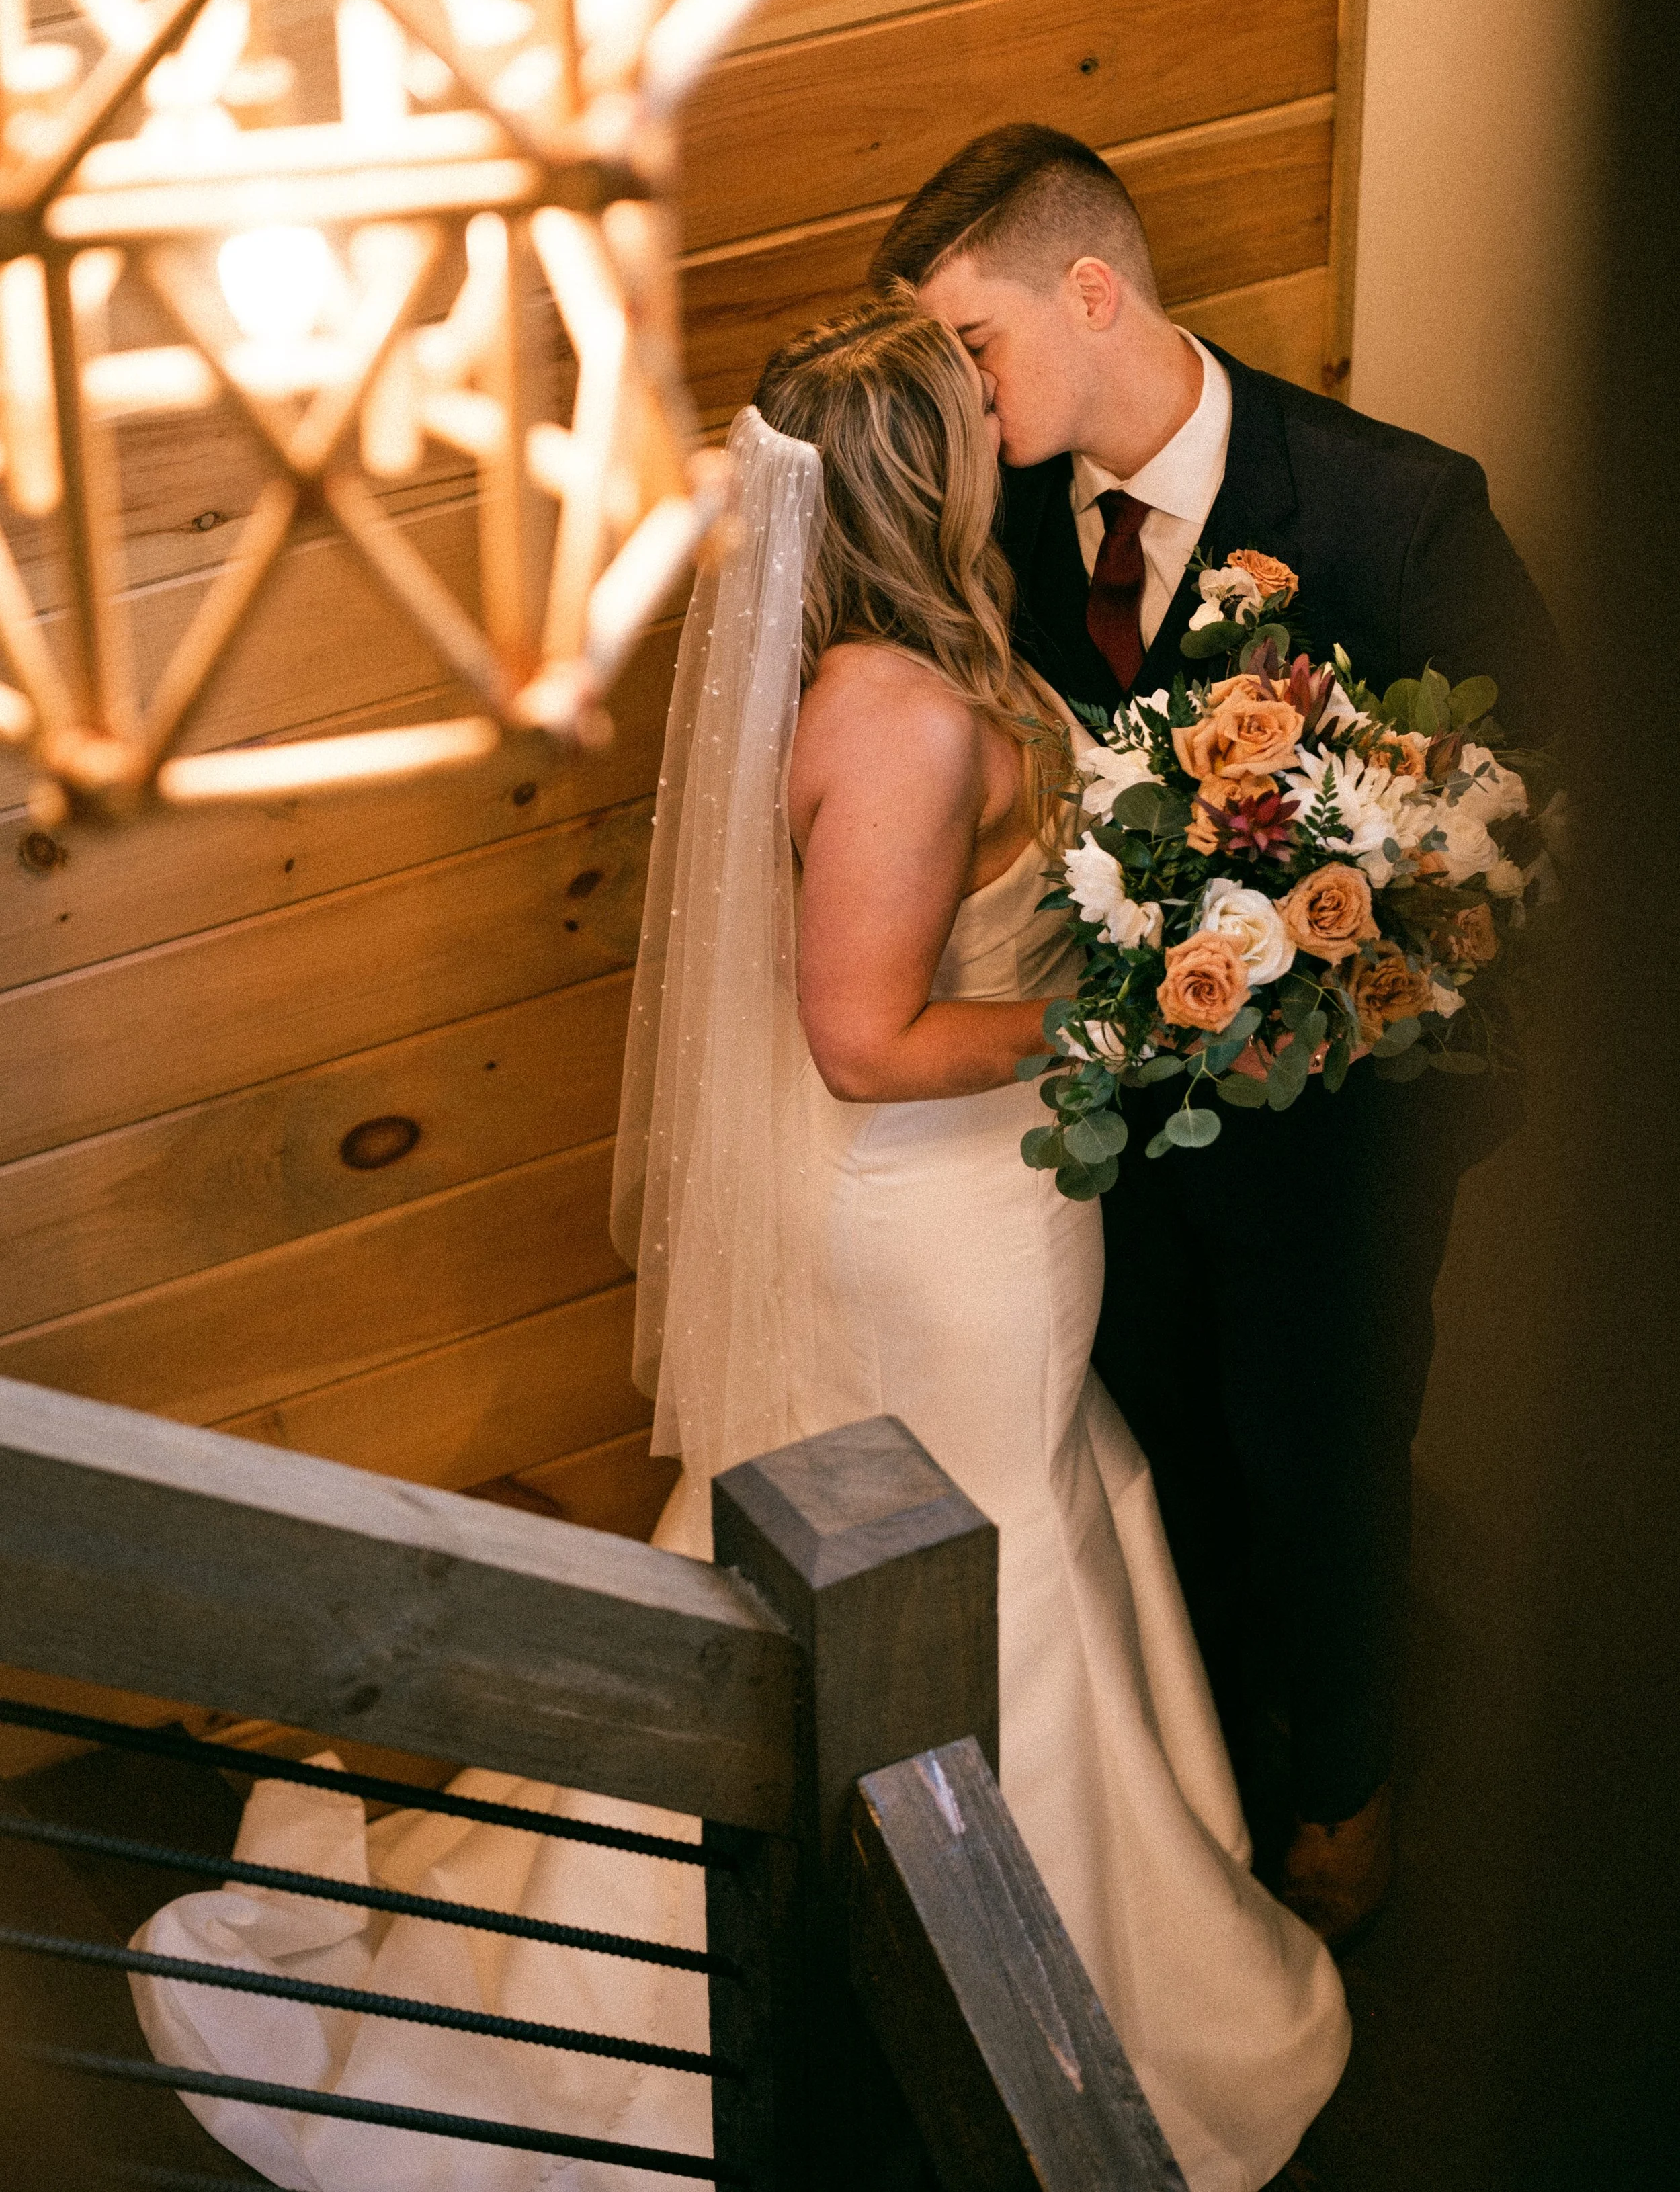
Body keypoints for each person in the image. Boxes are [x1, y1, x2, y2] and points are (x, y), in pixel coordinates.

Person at [129, 299, 1347, 2192]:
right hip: (932, 1214)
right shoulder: (904, 716)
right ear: (921, 480)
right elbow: (860, 1043)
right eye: (971, 414)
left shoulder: (919, 664)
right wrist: (1119, 1023)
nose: (1003, 429)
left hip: (980, 1200)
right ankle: (1004, 1999)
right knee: (963, 1539)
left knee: (952, 1521)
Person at [869, 124, 1565, 1945]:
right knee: (1149, 1429)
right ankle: (1192, 1783)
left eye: (972, 342)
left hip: (1336, 1135)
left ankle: (1342, 1796)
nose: (960, 392)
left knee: (1326, 1455)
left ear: (1087, 291)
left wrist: (1383, 1077)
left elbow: (1538, 824)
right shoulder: (1000, 525)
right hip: (1093, 1123)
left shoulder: (1389, 510)